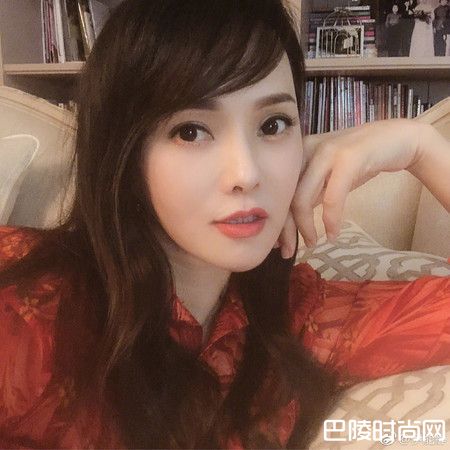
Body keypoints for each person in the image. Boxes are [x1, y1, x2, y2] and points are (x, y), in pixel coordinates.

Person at [0, 0, 449, 448]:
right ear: (125, 153)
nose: (246, 174)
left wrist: (421, 147)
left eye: (273, 125)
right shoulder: (28, 305)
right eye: (191, 131)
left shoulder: (303, 319)